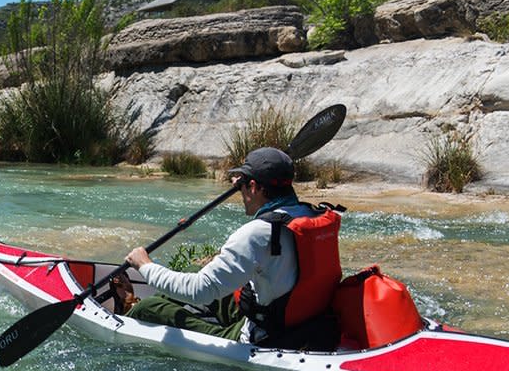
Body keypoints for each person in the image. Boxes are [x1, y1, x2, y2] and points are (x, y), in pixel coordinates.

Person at [120, 147, 343, 351]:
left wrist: (145, 266)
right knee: (189, 269)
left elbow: (198, 291)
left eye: (242, 185)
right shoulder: (311, 215)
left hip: (264, 337)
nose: (240, 192)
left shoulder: (257, 233)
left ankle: (131, 306)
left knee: (149, 308)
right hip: (303, 323)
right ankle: (152, 300)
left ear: (254, 187)